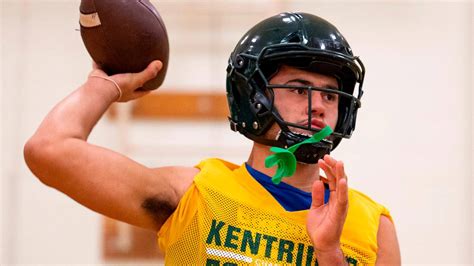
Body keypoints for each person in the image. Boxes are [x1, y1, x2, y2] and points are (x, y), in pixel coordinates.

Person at [24, 12, 400, 265]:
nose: (319, 106)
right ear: (254, 97)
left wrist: (330, 253)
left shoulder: (372, 224)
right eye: (300, 90)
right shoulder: (194, 194)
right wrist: (103, 87)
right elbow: (49, 150)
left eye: (330, 95)